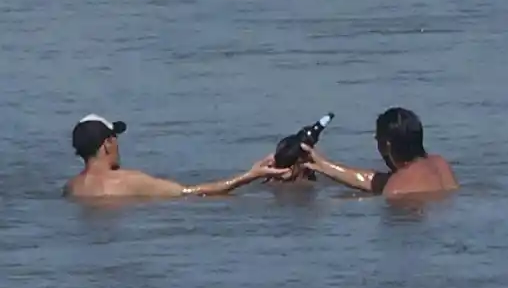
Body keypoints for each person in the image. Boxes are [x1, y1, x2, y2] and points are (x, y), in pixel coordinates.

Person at [64, 114, 289, 200]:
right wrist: (250, 175)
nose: (118, 143)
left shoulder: (71, 188)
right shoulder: (129, 181)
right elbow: (192, 192)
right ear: (107, 144)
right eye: (115, 137)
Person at [300, 107, 458, 199]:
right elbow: (374, 180)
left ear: (386, 146)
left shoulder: (396, 189)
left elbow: (393, 186)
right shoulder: (441, 164)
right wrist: (322, 165)